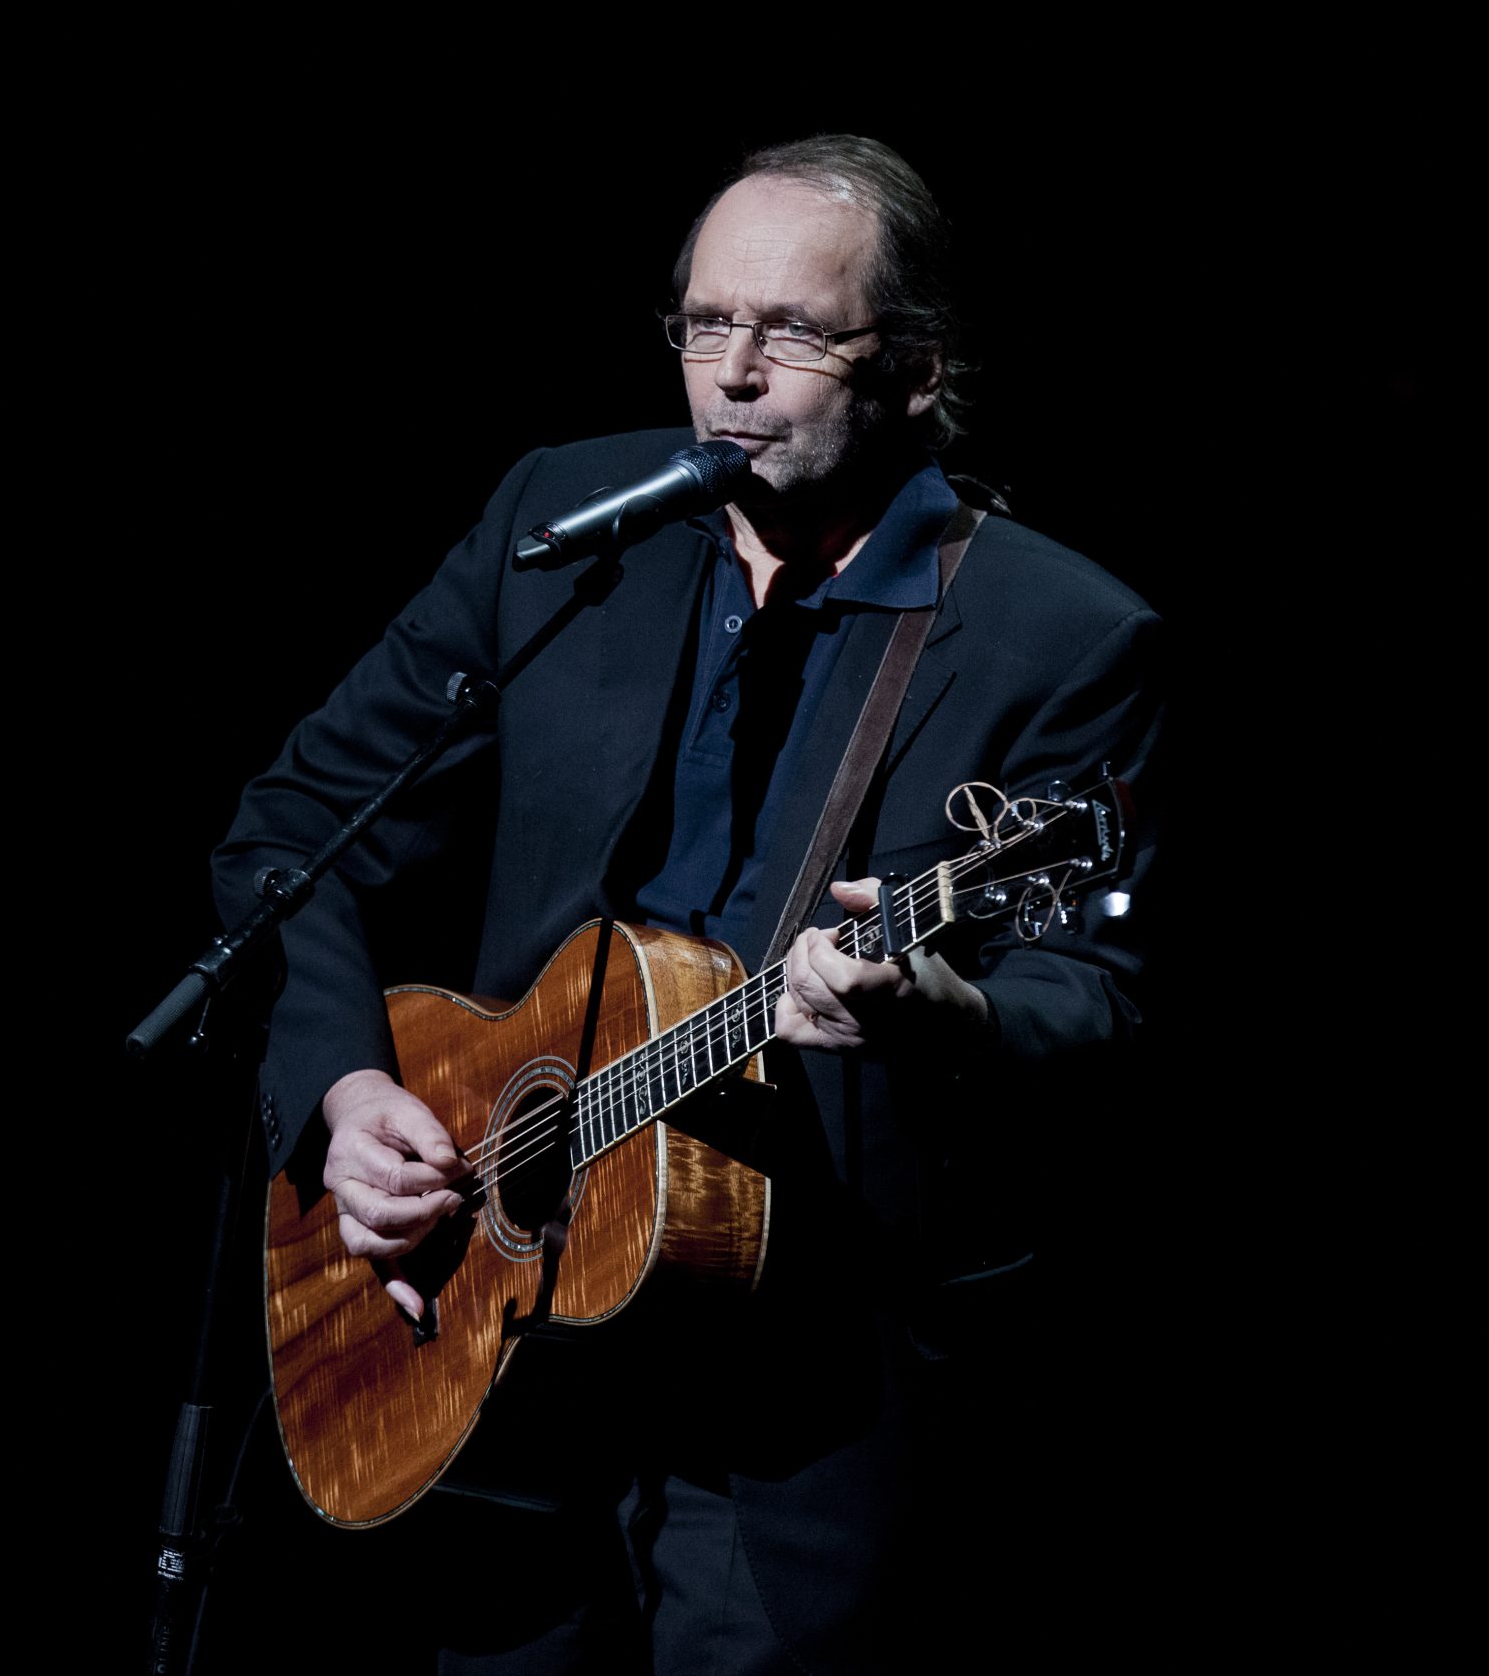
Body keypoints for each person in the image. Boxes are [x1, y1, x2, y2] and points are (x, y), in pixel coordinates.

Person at [210, 136, 1162, 1673]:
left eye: (791, 333)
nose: (732, 374)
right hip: (504, 1329)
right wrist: (344, 1087)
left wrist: (939, 1009)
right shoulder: (569, 526)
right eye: (707, 325)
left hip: (815, 1382)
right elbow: (300, 830)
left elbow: (1104, 1002)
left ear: (913, 367)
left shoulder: (1061, 634)